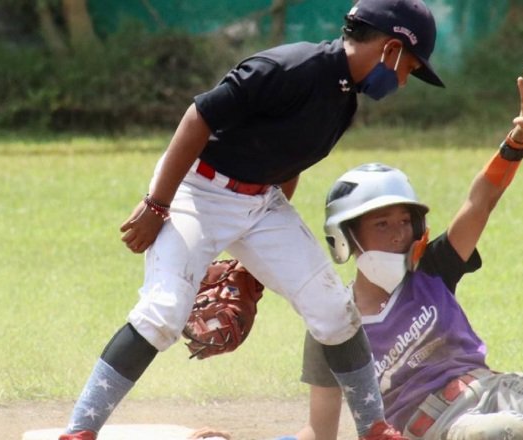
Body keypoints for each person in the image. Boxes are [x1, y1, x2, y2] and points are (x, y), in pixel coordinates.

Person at [190, 63, 523, 440]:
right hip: (437, 427)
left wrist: (517, 140)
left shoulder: (433, 271)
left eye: (405, 223)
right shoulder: (333, 326)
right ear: (344, 241)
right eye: (382, 225)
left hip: (495, 386)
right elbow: (321, 432)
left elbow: (480, 200)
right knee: (513, 435)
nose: (400, 235)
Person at [59, 1, 445, 439]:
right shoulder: (289, 67)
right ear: (391, 48)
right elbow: (198, 118)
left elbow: (289, 162)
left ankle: (373, 427)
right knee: (163, 313)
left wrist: (254, 265)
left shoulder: (342, 100)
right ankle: (80, 430)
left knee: (334, 311)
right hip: (196, 192)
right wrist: (156, 205)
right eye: (408, 67)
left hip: (263, 203)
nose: (403, 80)